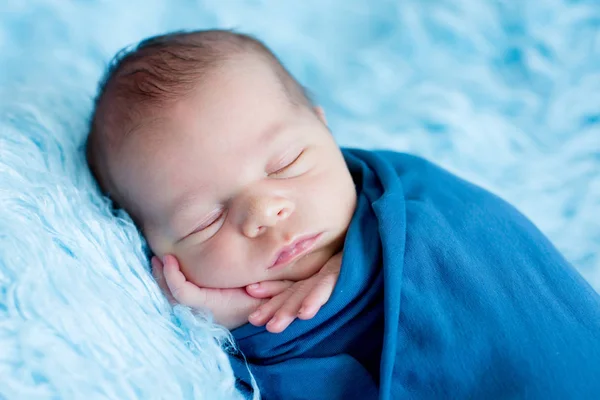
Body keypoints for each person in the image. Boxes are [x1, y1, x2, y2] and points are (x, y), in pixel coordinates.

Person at [86, 29, 600, 399]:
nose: (264, 211)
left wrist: (366, 258)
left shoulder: (415, 202)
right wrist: (243, 322)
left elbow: (481, 241)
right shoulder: (212, 342)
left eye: (287, 163)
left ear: (325, 131)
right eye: (205, 221)